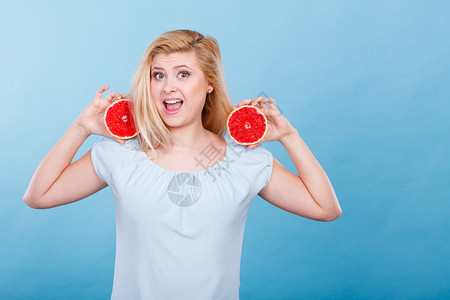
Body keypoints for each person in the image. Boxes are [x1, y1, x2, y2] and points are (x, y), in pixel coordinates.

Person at [23, 29, 341, 299]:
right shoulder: (121, 154)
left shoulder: (244, 159)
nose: (167, 87)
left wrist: (289, 136)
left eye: (183, 74)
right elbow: (39, 196)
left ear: (209, 83)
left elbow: (325, 208)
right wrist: (80, 128)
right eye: (158, 75)